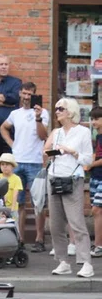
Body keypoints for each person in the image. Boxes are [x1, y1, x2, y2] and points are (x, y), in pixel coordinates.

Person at [43, 97, 93, 278]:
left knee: (76, 222)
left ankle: (86, 262)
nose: (57, 111)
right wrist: (52, 153)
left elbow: (88, 159)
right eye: (56, 108)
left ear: (70, 112)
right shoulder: (56, 132)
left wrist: (72, 151)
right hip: (54, 177)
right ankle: (63, 261)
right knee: (55, 224)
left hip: (73, 178)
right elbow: (47, 152)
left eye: (60, 108)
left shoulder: (83, 132)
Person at [0, 82, 50, 251]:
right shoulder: (15, 113)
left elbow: (44, 136)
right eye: (24, 93)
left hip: (35, 161)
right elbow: (3, 128)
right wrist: (11, 143)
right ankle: (19, 239)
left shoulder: (43, 113)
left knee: (38, 202)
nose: (27, 97)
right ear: (20, 93)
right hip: (17, 161)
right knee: (17, 202)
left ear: (34, 95)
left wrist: (38, 117)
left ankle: (39, 239)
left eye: (30, 94)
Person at [89, 106, 102, 258]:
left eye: (97, 119)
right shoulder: (97, 136)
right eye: (92, 119)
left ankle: (98, 245)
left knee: (96, 210)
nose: (94, 122)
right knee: (97, 211)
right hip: (95, 176)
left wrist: (91, 164)